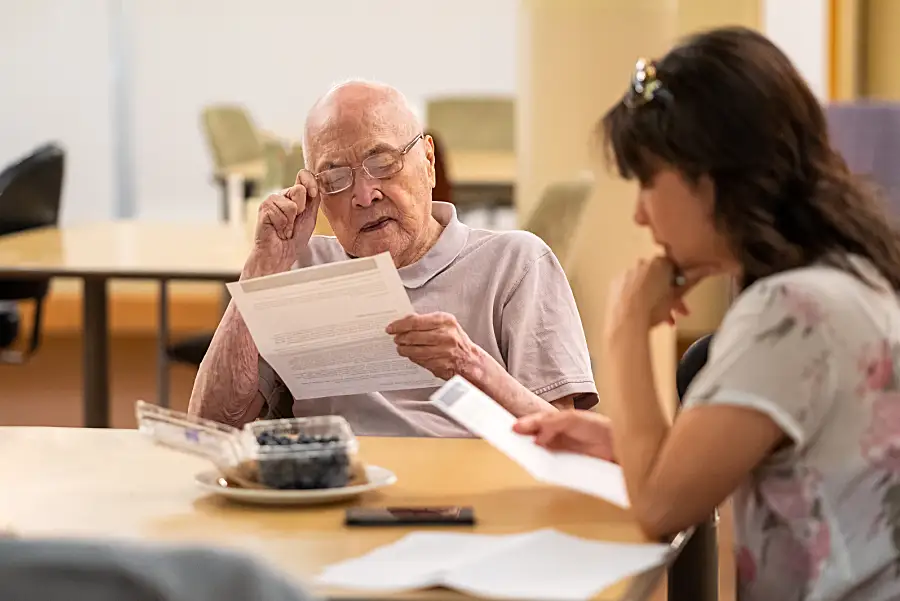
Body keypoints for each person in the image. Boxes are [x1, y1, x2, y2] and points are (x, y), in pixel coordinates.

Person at [515, 26, 900, 601]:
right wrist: (624, 442)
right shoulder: (848, 273)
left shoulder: (789, 311)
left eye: (648, 182)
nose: (642, 216)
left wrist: (625, 330)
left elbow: (660, 507)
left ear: (712, 174)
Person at [189, 80, 597, 437]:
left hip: (467, 504)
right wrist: (261, 268)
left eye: (383, 164)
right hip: (330, 499)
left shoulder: (515, 264)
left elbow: (561, 439)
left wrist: (471, 365)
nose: (365, 195)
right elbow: (211, 426)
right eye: (335, 179)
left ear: (429, 162)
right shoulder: (303, 267)